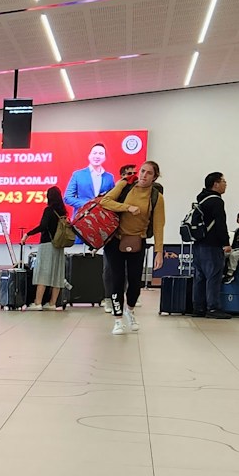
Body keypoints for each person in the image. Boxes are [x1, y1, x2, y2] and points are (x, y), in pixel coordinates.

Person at [97, 160, 165, 334]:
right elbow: (105, 201)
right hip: (116, 241)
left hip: (138, 241)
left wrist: (159, 252)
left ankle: (130, 310)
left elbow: (158, 226)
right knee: (117, 280)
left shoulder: (156, 197)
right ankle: (118, 319)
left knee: (135, 282)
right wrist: (127, 207)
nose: (143, 175)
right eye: (142, 171)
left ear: (154, 177)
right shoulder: (125, 184)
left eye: (149, 173)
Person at [191, 171, 231, 318]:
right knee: (214, 276)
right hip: (212, 245)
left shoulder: (201, 200)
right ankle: (213, 308)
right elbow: (220, 224)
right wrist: (226, 243)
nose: (225, 184)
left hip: (198, 243)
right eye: (223, 181)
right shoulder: (216, 201)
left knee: (200, 277)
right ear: (215, 184)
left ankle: (198, 308)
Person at [28, 186, 71, 310]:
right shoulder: (63, 212)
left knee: (43, 273)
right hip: (59, 246)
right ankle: (52, 303)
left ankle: (38, 302)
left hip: (47, 244)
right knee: (57, 273)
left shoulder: (48, 210)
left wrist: (28, 234)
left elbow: (43, 226)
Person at [64, 143, 115, 213]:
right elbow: (67, 198)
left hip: (102, 218)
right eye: (94, 153)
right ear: (89, 155)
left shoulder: (109, 177)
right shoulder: (78, 175)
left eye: (101, 153)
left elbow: (113, 198)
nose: (97, 156)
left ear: (105, 157)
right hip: (81, 218)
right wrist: (88, 204)